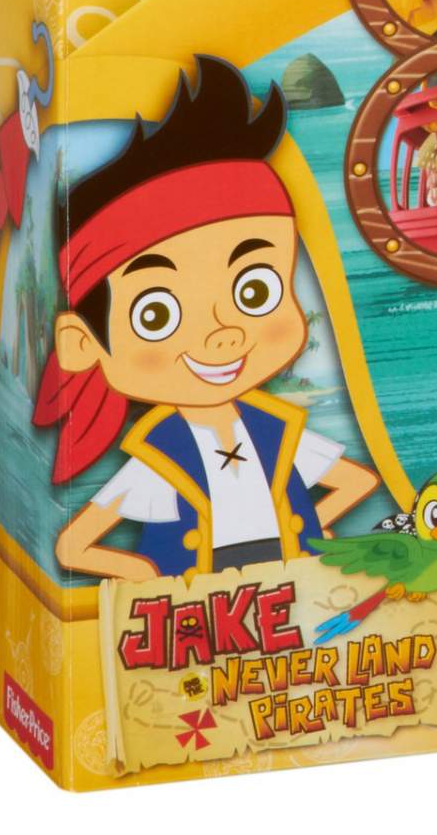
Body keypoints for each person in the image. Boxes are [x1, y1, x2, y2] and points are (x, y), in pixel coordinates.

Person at [34, 57, 380, 579]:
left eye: (256, 291)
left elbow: (358, 483)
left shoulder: (276, 429)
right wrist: (148, 576)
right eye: (157, 314)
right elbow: (72, 547)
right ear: (82, 343)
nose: (223, 333)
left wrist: (309, 535)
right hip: (201, 603)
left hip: (289, 583)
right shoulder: (159, 454)